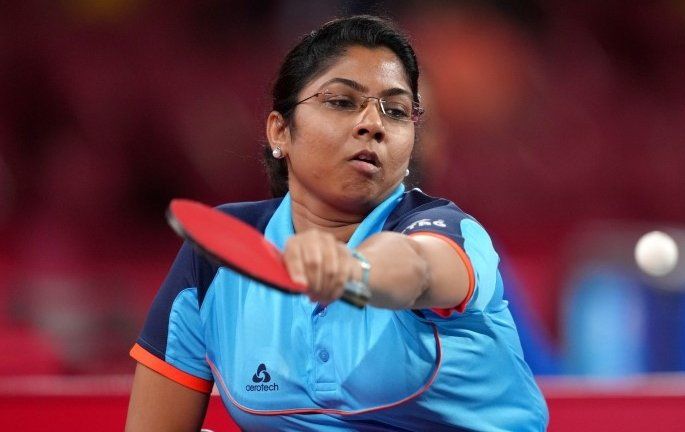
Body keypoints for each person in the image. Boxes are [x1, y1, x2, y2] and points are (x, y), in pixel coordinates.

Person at [126, 15, 548, 431]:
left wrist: (354, 272)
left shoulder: (447, 228)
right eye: (342, 101)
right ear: (280, 131)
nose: (373, 124)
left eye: (396, 111)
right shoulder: (219, 255)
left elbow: (418, 268)